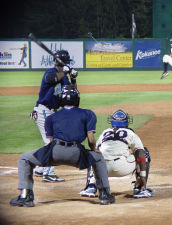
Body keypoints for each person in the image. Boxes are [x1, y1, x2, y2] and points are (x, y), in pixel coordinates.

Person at [10, 85, 115, 207]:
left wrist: (49, 158)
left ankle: (25, 196)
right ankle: (105, 195)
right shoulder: (88, 114)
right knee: (98, 158)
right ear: (77, 99)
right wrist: (94, 150)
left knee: (25, 159)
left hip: (55, 152)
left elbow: (50, 142)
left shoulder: (51, 118)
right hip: (77, 154)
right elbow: (91, 139)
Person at [78, 109, 154, 198]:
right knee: (145, 153)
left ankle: (90, 187)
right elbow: (140, 152)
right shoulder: (130, 133)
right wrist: (142, 176)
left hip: (102, 169)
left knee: (93, 154)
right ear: (126, 121)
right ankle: (140, 188)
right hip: (122, 167)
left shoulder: (105, 132)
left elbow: (96, 150)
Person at [30, 50, 76, 182]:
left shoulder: (64, 77)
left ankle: (40, 168)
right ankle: (48, 173)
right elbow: (52, 79)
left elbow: (72, 92)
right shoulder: (50, 73)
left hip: (52, 112)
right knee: (51, 141)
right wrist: (65, 72)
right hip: (44, 110)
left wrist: (73, 78)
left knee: (54, 139)